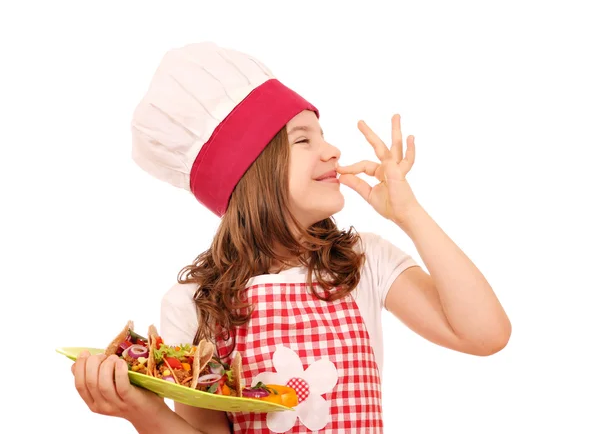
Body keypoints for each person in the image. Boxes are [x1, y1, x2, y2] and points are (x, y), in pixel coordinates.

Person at [71, 42, 511, 434]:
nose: (332, 151)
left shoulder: (363, 261)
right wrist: (140, 412)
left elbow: (484, 334)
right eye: (303, 139)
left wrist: (410, 214)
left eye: (322, 134)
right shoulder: (193, 301)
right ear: (250, 172)